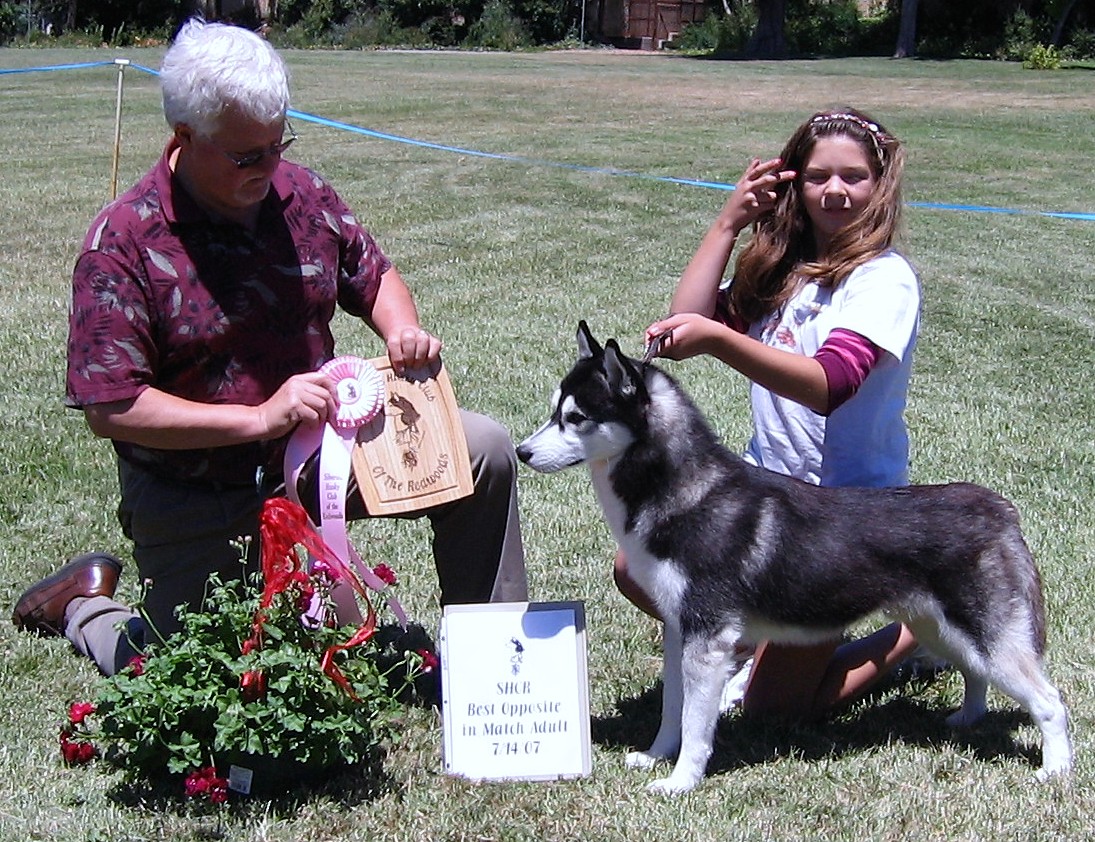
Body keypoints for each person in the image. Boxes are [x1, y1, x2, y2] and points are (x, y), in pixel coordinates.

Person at [11, 18, 527, 675]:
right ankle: (83, 607)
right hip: (196, 490)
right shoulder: (123, 243)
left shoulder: (302, 196)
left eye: (277, 144)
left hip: (320, 460)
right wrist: (257, 418)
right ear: (185, 138)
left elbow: (372, 274)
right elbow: (111, 407)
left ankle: (493, 672)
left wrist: (399, 328)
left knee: (480, 450)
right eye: (245, 156)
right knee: (197, 674)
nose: (269, 166)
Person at [616, 108, 922, 720]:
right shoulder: (783, 272)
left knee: (772, 714)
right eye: (817, 177)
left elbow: (830, 385)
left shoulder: (883, 280)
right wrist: (729, 223)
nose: (835, 191)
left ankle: (914, 634)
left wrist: (721, 341)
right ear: (792, 185)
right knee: (635, 568)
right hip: (766, 497)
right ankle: (761, 636)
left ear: (880, 184)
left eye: (853, 177)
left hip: (844, 518)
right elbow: (684, 320)